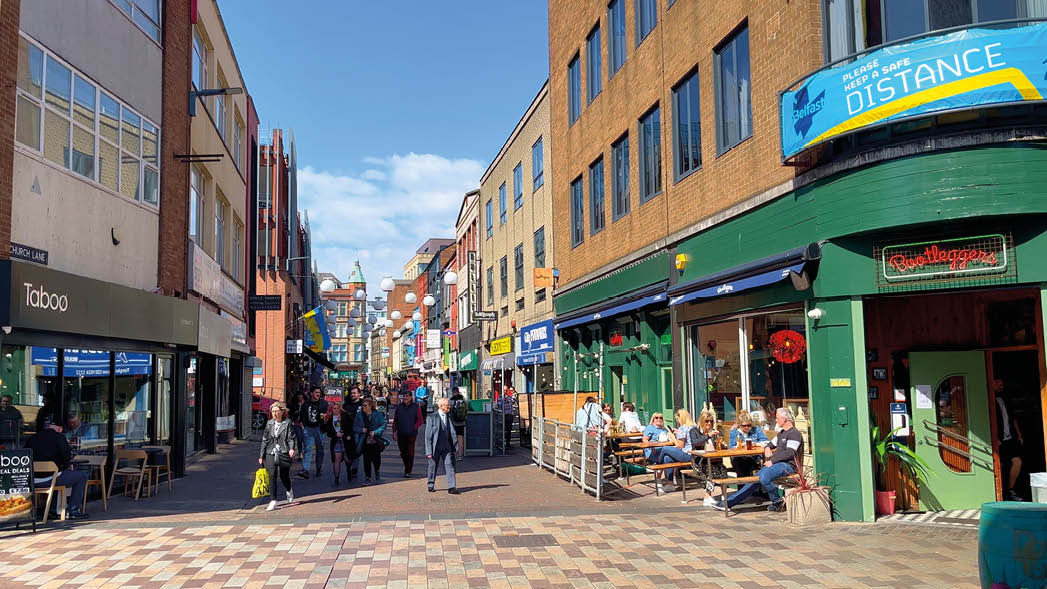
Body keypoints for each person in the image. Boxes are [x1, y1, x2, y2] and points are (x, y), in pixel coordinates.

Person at [717, 407, 804, 512]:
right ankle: (729, 502)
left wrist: (772, 461)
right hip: (776, 464)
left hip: (788, 465)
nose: (776, 420)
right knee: (755, 479)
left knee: (764, 477)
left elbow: (789, 453)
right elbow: (770, 444)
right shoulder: (781, 433)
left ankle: (777, 501)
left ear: (784, 419)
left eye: (777, 418)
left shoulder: (794, 434)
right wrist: (767, 448)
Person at [24, 413, 89, 519]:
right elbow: (66, 458)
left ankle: (53, 509)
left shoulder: (33, 438)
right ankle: (73, 511)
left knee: (57, 475)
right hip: (51, 479)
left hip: (31, 481)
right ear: (60, 429)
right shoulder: (59, 437)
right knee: (81, 476)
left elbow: (24, 456)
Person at [258, 402, 297, 511]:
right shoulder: (269, 423)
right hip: (270, 452)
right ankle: (273, 500)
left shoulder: (288, 423)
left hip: (283, 451)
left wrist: (291, 449)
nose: (275, 413)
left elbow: (291, 438)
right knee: (272, 475)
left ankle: (289, 490)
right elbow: (265, 440)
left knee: (284, 476)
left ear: (282, 411)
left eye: (277, 411)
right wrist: (261, 455)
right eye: (273, 411)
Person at [650, 409, 699, 493]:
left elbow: (680, 445)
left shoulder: (683, 428)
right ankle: (670, 484)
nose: (677, 421)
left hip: (687, 454)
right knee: (667, 458)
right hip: (694, 454)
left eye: (677, 419)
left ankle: (658, 465)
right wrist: (677, 433)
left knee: (665, 448)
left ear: (681, 418)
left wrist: (672, 437)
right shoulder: (693, 427)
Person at [689, 410, 730, 505]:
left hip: (713, 460)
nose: (709, 423)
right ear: (701, 421)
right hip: (699, 462)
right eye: (707, 421)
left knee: (723, 469)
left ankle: (724, 495)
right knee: (712, 471)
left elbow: (716, 447)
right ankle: (707, 496)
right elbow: (695, 443)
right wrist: (708, 436)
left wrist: (722, 444)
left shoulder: (713, 432)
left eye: (711, 421)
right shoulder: (694, 431)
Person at [993, 379, 1025, 501]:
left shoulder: (1005, 399)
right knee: (999, 464)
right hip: (998, 439)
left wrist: (1019, 434)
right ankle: (999, 492)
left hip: (1010, 437)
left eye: (1002, 384)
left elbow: (1013, 418)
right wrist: (995, 437)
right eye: (998, 383)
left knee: (1017, 462)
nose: (1001, 386)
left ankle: (1010, 490)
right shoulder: (988, 399)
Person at [425, 397, 459, 494]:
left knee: (450, 465)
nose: (449, 407)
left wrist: (454, 445)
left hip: (447, 446)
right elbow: (428, 436)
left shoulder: (449, 416)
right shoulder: (432, 417)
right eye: (447, 405)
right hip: (435, 446)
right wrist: (428, 451)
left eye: (449, 405)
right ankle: (431, 484)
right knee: (433, 466)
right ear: (440, 406)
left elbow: (451, 431)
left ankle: (452, 487)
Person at [354, 399, 386, 485]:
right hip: (365, 440)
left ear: (370, 406)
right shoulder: (359, 415)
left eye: (365, 405)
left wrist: (375, 432)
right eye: (362, 405)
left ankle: (377, 470)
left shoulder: (378, 414)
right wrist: (361, 430)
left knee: (376, 458)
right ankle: (367, 477)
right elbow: (355, 427)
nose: (363, 407)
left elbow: (383, 425)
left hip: (375, 440)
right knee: (366, 459)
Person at [728, 411, 769, 478]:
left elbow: (766, 442)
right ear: (740, 425)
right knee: (740, 462)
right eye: (744, 426)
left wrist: (755, 444)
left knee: (747, 462)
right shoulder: (734, 432)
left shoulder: (756, 430)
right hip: (738, 457)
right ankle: (746, 483)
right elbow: (731, 447)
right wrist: (741, 446)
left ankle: (744, 484)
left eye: (749, 425)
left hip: (754, 457)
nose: (747, 427)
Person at [392, 392, 423, 477]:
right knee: (403, 452)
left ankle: (408, 470)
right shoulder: (399, 407)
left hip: (411, 434)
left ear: (411, 397)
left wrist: (414, 427)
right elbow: (395, 420)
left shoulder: (416, 407)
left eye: (407, 396)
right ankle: (406, 466)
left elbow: (420, 420)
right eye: (404, 396)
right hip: (401, 433)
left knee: (410, 453)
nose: (405, 398)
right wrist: (394, 432)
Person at [298, 388, 328, 480]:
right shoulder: (306, 404)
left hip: (319, 428)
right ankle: (305, 470)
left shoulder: (324, 403)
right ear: (311, 393)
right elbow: (301, 416)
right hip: (308, 428)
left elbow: (327, 415)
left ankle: (318, 468)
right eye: (316, 392)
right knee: (307, 449)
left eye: (319, 392)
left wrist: (325, 417)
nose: (318, 394)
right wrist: (303, 427)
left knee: (320, 449)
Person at [323, 401, 354, 486]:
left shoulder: (345, 415)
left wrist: (348, 434)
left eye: (337, 408)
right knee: (337, 459)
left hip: (346, 440)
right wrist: (335, 434)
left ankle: (349, 470)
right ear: (331, 410)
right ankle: (336, 478)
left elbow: (351, 426)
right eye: (334, 408)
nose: (336, 410)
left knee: (347, 458)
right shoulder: (330, 419)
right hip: (336, 441)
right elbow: (328, 432)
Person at [449, 388, 468, 459]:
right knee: (460, 437)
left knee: (452, 438)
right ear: (458, 392)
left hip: (453, 422)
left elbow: (448, 411)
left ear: (452, 392)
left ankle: (452, 454)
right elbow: (466, 410)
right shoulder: (463, 400)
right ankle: (460, 455)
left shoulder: (451, 400)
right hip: (461, 422)